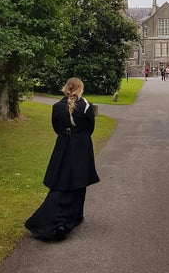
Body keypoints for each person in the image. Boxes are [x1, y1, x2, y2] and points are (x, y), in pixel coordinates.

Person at [25, 77, 100, 241]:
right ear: (80, 88)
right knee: (79, 181)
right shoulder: (86, 106)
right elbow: (90, 127)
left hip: (64, 145)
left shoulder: (57, 106)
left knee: (63, 180)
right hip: (81, 145)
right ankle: (73, 217)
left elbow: (56, 127)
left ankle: (71, 217)